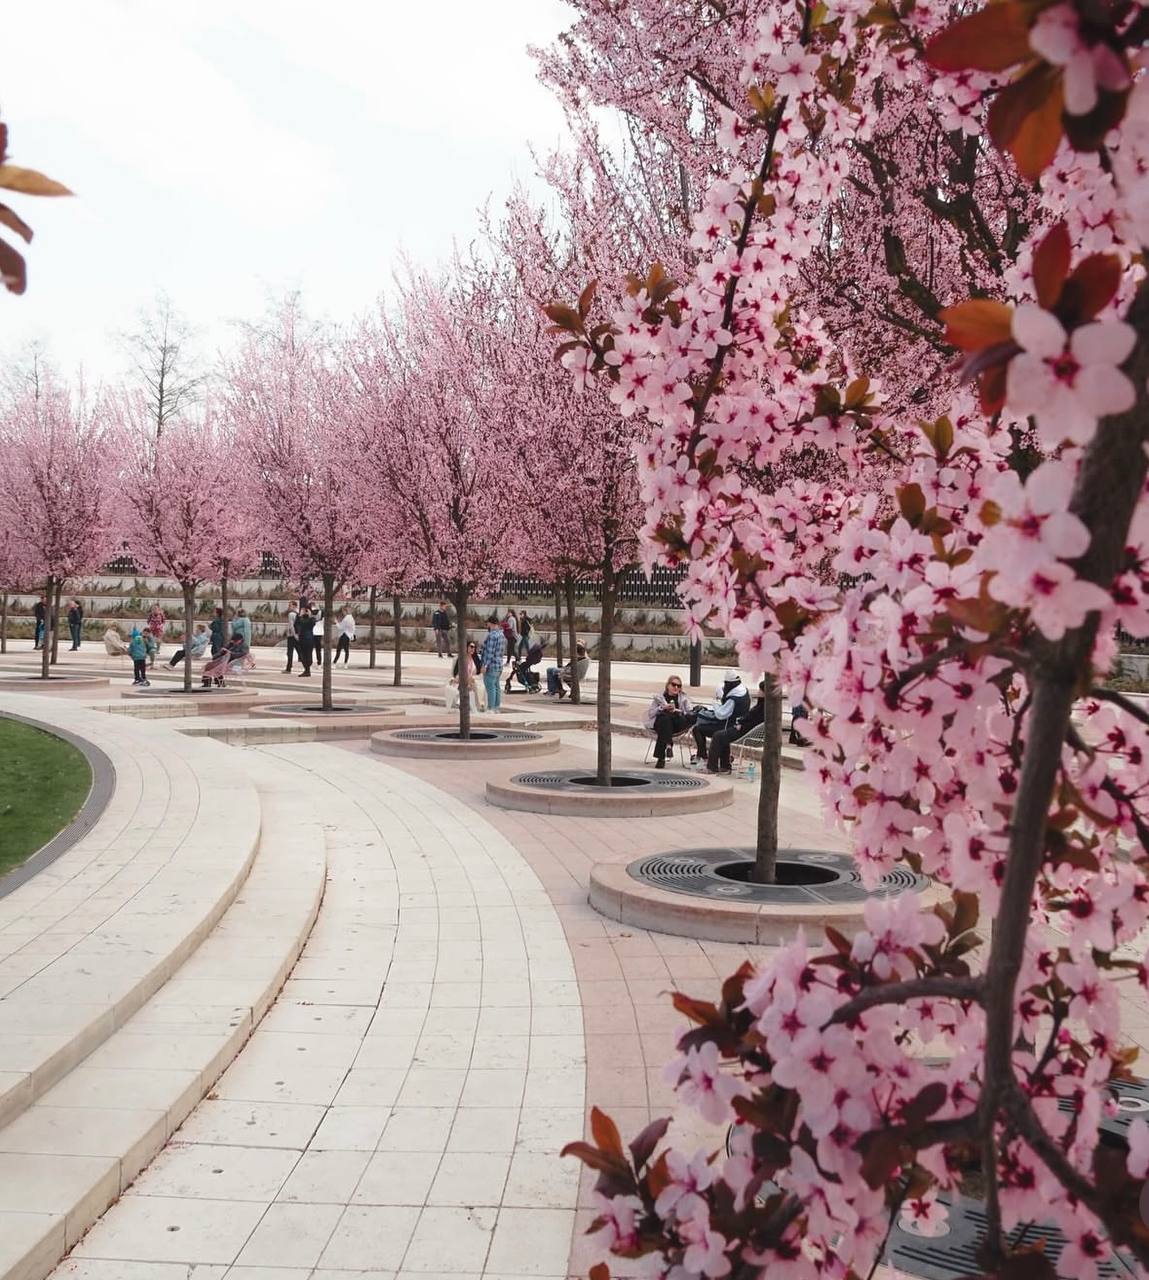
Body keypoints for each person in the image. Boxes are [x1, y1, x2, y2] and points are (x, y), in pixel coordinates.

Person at [707, 679, 767, 773]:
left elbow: (752, 721)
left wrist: (741, 724)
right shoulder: (762, 705)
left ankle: (712, 767)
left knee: (718, 736)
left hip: (745, 731)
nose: (758, 691)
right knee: (723, 735)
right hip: (746, 729)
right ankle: (725, 766)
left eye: (761, 690)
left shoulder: (762, 708)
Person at [692, 670, 751, 765]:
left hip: (729, 727)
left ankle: (703, 756)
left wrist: (715, 703)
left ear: (729, 684)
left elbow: (721, 715)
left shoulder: (733, 698)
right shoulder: (744, 692)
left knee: (697, 729)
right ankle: (721, 759)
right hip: (738, 725)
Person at [645, 676, 695, 769]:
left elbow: (690, 713)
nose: (676, 687)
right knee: (665, 719)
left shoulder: (684, 698)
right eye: (673, 685)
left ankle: (662, 756)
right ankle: (668, 745)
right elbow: (651, 714)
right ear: (668, 685)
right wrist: (662, 708)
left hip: (678, 723)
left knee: (666, 718)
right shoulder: (659, 698)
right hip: (662, 724)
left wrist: (676, 710)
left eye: (679, 686)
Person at [445, 640, 483, 713]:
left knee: (469, 682)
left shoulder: (476, 659)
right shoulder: (461, 658)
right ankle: (465, 703)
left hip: (472, 680)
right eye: (471, 647)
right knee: (466, 682)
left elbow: (479, 672)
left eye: (474, 647)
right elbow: (455, 672)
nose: (473, 649)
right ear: (466, 647)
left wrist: (473, 677)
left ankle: (460, 702)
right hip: (462, 679)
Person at [478, 615, 506, 711]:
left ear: (490, 623)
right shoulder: (501, 635)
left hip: (491, 665)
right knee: (496, 686)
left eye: (487, 623)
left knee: (490, 687)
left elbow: (490, 652)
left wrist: (485, 665)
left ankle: (491, 707)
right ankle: (496, 707)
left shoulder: (492, 635)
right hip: (499, 664)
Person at [294, 606, 316, 678]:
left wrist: (310, 615)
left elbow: (313, 623)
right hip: (303, 638)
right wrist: (300, 615)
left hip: (309, 638)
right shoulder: (301, 619)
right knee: (303, 655)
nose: (304, 612)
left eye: (305, 610)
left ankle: (307, 669)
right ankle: (307, 670)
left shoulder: (311, 619)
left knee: (308, 654)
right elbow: (296, 624)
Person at [283, 599, 299, 673]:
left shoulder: (291, 614)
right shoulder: (298, 613)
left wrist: (294, 634)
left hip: (292, 635)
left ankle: (288, 668)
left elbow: (291, 625)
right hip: (297, 634)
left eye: (290, 605)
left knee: (290, 652)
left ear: (294, 606)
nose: (288, 607)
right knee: (299, 651)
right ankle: (307, 666)